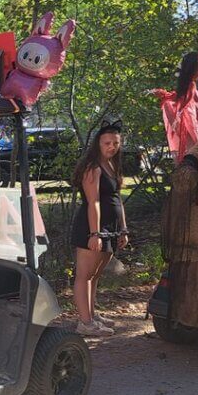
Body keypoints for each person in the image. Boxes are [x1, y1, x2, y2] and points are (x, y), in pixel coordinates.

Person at [69, 121, 128, 337]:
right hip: (92, 227)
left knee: (95, 276)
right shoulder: (92, 168)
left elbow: (116, 199)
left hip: (111, 228)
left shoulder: (112, 165)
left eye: (115, 143)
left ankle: (92, 315)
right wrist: (95, 233)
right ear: (98, 143)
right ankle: (84, 322)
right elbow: (93, 201)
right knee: (84, 275)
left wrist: (123, 229)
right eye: (107, 143)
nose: (111, 147)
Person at [155, 51, 198, 163]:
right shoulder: (190, 89)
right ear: (197, 69)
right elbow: (191, 118)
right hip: (195, 145)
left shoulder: (186, 89)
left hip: (192, 145)